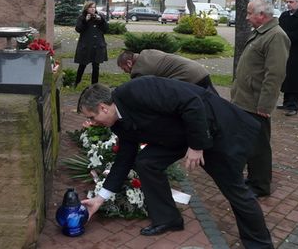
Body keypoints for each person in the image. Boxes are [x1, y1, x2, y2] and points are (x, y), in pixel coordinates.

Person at [79, 77, 274, 248]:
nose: (92, 122)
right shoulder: (118, 124)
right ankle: (168, 218)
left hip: (210, 129)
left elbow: (192, 103)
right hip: (177, 136)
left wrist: (197, 146)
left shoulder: (138, 89)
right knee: (146, 162)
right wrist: (100, 199)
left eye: (92, 117)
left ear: (103, 107)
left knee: (234, 190)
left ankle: (260, 244)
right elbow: (124, 160)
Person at [231, 0, 290, 198]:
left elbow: (274, 74)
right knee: (249, 143)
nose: (247, 17)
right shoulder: (263, 33)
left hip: (256, 103)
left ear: (262, 15)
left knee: (259, 146)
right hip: (245, 100)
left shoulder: (276, 36)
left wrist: (265, 105)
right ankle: (254, 179)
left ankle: (260, 185)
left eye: (249, 13)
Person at [117, 49, 218, 95]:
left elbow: (141, 91)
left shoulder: (139, 71)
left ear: (129, 63)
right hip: (199, 69)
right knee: (214, 99)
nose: (125, 71)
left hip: (188, 76)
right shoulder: (146, 53)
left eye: (123, 68)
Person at [73, 1, 108, 87]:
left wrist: (101, 20)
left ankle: (94, 85)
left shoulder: (99, 17)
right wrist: (85, 21)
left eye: (94, 7)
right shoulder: (82, 17)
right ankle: (77, 82)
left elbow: (106, 29)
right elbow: (78, 29)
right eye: (91, 7)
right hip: (86, 45)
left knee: (96, 66)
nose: (93, 9)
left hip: (97, 45)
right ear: (86, 8)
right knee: (82, 64)